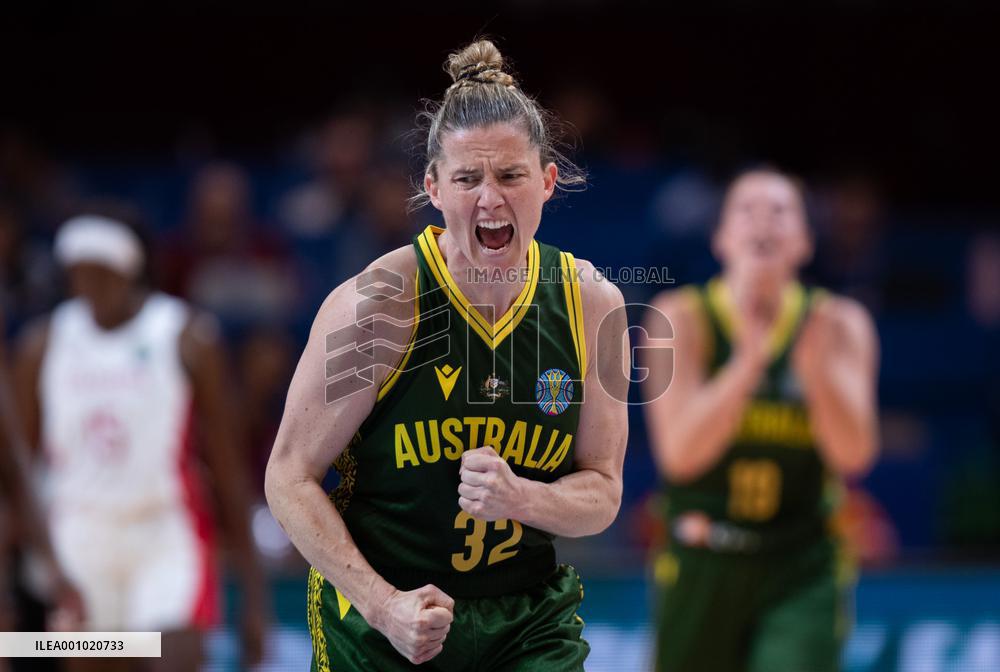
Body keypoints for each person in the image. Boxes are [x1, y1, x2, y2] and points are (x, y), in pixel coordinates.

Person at [265, 40, 629, 670]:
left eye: (511, 175)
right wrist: (383, 606)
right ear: (433, 187)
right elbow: (289, 478)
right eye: (467, 178)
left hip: (525, 618)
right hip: (387, 611)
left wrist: (524, 499)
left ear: (547, 180)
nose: (490, 198)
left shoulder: (591, 303)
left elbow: (603, 491)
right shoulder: (379, 304)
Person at [641, 167, 880, 672]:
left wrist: (817, 379)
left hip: (800, 562)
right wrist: (747, 366)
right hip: (702, 555)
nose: (763, 223)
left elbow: (854, 455)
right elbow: (679, 458)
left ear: (806, 242)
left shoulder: (838, 323)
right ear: (721, 236)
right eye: (746, 210)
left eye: (781, 211)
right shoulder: (679, 317)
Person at [14, 212, 266, 671]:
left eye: (99, 274)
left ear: (127, 271)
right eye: (77, 275)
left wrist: (254, 597)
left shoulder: (185, 336)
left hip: (165, 531)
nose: (87, 286)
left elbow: (228, 469)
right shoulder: (42, 344)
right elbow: (16, 473)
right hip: (80, 537)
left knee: (175, 658)